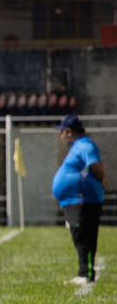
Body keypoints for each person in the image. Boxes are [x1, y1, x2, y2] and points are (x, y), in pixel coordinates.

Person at [51, 114, 107, 284]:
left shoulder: (85, 145)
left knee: (85, 236)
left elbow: (97, 166)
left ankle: (87, 273)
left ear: (68, 132)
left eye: (62, 131)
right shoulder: (78, 146)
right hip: (76, 200)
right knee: (80, 235)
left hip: (83, 199)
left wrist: (102, 180)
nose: (60, 135)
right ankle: (84, 272)